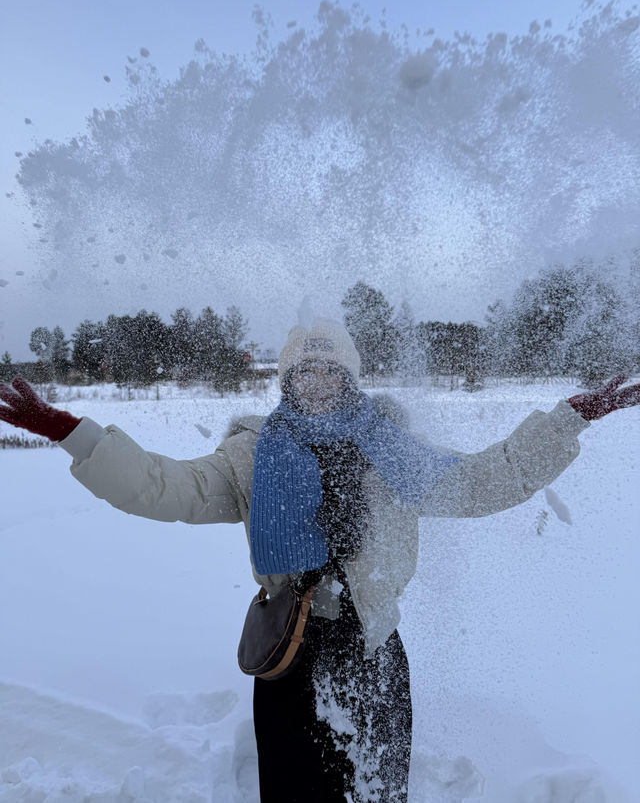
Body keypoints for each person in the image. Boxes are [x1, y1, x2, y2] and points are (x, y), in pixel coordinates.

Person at [1, 317, 638, 803]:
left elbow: (479, 481)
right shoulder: (252, 453)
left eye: (330, 371)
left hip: (373, 646)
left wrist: (567, 421)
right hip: (290, 649)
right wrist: (69, 430)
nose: (317, 382)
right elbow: (164, 487)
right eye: (304, 372)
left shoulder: (392, 447)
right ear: (287, 381)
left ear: (349, 378)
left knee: (378, 790)